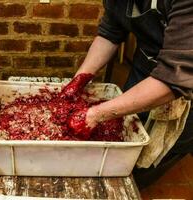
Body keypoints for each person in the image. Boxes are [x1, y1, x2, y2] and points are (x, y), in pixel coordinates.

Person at [61, 0, 193, 189]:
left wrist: (94, 115)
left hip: (184, 90)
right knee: (127, 136)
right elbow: (110, 33)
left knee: (141, 169)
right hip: (145, 66)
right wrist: (78, 81)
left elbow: (175, 76)